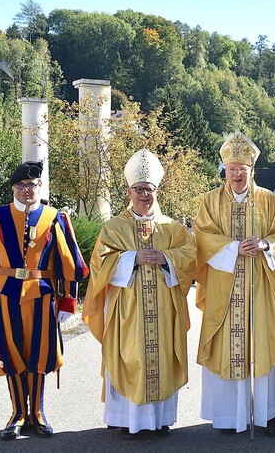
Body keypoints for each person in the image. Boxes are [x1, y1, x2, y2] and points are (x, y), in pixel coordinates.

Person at [0, 160, 88, 440]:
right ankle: (18, 413)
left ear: (39, 186)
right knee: (11, 353)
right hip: (3, 294)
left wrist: (69, 300)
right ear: (12, 188)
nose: (26, 190)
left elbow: (68, 264)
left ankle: (38, 413)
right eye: (20, 185)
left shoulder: (55, 218)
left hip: (42, 295)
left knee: (40, 355)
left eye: (31, 185)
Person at [82, 149, 196, 437]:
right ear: (129, 191)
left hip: (163, 309)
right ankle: (125, 418)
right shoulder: (114, 226)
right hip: (127, 310)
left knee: (161, 357)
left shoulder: (171, 227)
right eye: (139, 189)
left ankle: (160, 420)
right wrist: (131, 258)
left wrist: (166, 259)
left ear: (157, 191)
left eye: (149, 189)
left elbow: (190, 257)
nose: (145, 195)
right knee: (129, 356)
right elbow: (99, 264)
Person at [194, 131, 275, 436]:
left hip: (261, 287)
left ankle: (267, 415)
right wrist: (235, 248)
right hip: (225, 287)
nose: (237, 174)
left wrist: (264, 245)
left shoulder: (269, 200)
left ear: (252, 171)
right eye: (232, 169)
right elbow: (203, 237)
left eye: (243, 169)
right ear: (226, 170)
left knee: (264, 344)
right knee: (228, 347)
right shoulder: (210, 200)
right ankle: (227, 417)